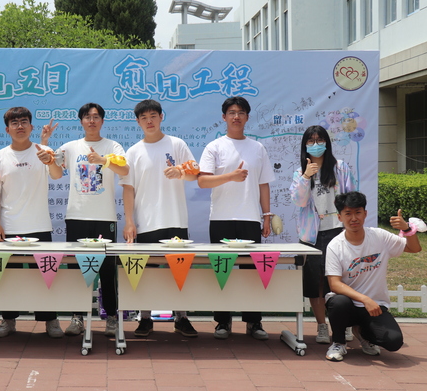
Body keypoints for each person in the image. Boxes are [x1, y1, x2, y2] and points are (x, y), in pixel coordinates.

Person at [42, 103, 129, 337]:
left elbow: (124, 170)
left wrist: (103, 160)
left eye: (96, 117)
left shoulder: (113, 146)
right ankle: (77, 317)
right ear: (81, 121)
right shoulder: (70, 147)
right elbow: (55, 173)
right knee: (77, 270)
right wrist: (46, 143)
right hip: (77, 217)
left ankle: (111, 317)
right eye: (87, 117)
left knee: (107, 270)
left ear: (102, 121)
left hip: (104, 217)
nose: (92, 121)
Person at [197, 96, 275, 341]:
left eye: (241, 112)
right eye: (231, 112)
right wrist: (230, 176)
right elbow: (202, 181)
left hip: (250, 219)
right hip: (221, 219)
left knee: (252, 272)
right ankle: (222, 321)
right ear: (224, 117)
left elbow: (264, 184)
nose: (236, 116)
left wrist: (266, 216)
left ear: (247, 117)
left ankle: (254, 322)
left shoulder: (257, 148)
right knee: (223, 271)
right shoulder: (214, 147)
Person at [120, 99, 199, 338]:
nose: (149, 121)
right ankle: (145, 318)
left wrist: (180, 172)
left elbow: (194, 174)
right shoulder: (133, 152)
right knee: (146, 272)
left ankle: (181, 317)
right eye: (144, 118)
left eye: (153, 116)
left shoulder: (177, 144)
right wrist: (129, 221)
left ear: (161, 117)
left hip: (175, 219)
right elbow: (128, 189)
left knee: (179, 272)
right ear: (138, 122)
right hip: (146, 222)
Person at [0, 106, 66, 338]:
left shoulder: (44, 150)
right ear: (7, 129)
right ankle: (8, 320)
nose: (19, 126)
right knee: (9, 278)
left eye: (24, 122)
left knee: (44, 277)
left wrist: (49, 161)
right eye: (14, 123)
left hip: (39, 226)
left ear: (31, 127)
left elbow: (57, 175)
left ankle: (50, 320)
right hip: (10, 228)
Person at [324, 191, 422, 361]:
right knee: (338, 302)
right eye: (348, 213)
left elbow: (414, 248)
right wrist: (365, 299)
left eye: (358, 212)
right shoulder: (335, 246)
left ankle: (363, 333)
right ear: (340, 217)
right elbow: (334, 284)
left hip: (375, 306)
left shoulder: (379, 236)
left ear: (365, 214)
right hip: (348, 305)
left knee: (394, 342)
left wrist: (407, 229)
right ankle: (338, 342)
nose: (353, 218)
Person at [290, 125, 357, 344]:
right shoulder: (300, 172)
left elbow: (352, 198)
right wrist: (305, 177)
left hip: (338, 232)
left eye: (320, 140)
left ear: (327, 143)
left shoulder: (340, 168)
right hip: (311, 236)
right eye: (311, 141)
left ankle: (344, 324)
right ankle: (321, 326)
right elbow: (299, 201)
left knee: (339, 281)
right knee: (315, 283)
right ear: (305, 145)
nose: (316, 144)